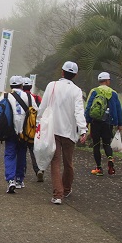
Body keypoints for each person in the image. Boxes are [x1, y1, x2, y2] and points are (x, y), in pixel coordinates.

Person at [36, 61, 88, 205]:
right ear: (75, 75)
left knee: (55, 162)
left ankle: (58, 195)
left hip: (53, 130)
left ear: (62, 72)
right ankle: (66, 189)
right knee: (68, 163)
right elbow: (79, 112)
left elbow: (43, 106)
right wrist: (83, 130)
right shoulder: (77, 90)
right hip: (69, 132)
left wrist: (38, 122)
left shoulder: (51, 86)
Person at [0, 75, 38, 193]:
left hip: (10, 130)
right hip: (25, 132)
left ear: (11, 85)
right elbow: (36, 112)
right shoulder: (29, 96)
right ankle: (20, 179)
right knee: (21, 154)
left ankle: (11, 180)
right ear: (22, 85)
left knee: (10, 154)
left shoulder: (5, 95)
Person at [85, 71, 122, 176]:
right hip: (108, 122)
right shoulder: (113, 93)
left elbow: (89, 107)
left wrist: (87, 121)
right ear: (107, 81)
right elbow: (118, 109)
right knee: (107, 143)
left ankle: (98, 168)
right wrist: (120, 124)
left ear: (99, 81)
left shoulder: (94, 91)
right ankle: (110, 159)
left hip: (95, 122)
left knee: (96, 145)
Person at [22, 77, 44, 182]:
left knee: (21, 151)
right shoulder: (36, 98)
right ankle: (38, 169)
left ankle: (22, 171)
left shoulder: (18, 97)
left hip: (21, 129)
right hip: (32, 129)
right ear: (31, 87)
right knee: (33, 151)